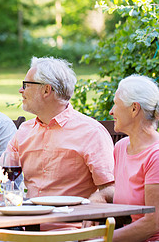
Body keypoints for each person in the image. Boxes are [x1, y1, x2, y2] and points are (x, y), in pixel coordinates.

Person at [7, 56, 114, 200]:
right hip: (27, 219)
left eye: (26, 85)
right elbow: (0, 174)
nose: (21, 90)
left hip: (71, 220)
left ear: (46, 90)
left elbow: (111, 188)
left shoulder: (91, 132)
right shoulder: (24, 131)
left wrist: (98, 199)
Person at [93, 75, 159, 241]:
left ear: (134, 108)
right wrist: (99, 196)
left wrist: (102, 239)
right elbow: (126, 192)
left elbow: (155, 223)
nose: (111, 111)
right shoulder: (121, 147)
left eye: (116, 103)